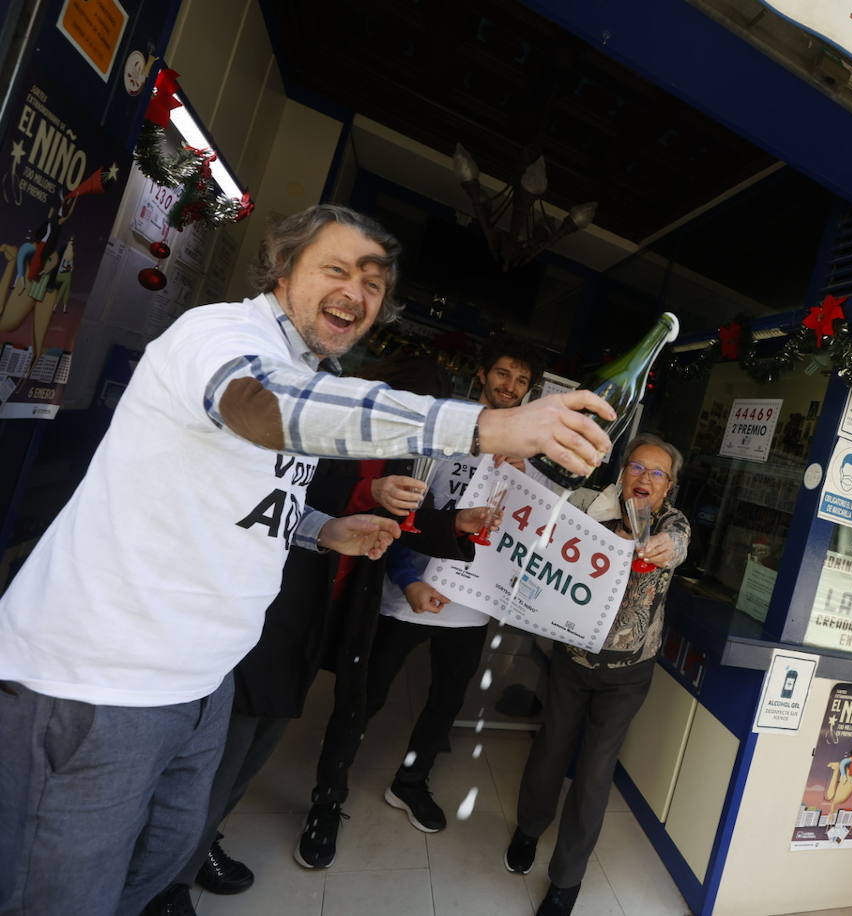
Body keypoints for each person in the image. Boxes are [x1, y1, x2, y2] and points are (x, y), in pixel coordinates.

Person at [0, 203, 614, 916]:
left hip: (205, 680)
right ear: (283, 267)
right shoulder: (222, 335)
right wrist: (488, 425)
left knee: (159, 867)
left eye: (376, 282)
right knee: (62, 896)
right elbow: (263, 405)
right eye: (337, 268)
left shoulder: (305, 365)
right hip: (100, 682)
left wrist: (324, 529)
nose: (358, 292)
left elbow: (244, 492)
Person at [144, 358, 488, 916]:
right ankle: (168, 884)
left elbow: (399, 523)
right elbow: (291, 501)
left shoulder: (403, 455)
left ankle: (197, 850)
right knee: (225, 754)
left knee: (260, 743)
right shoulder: (323, 433)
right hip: (276, 615)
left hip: (328, 619)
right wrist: (369, 487)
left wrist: (454, 525)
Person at [296, 335, 548, 868]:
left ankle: (411, 782)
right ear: (482, 375)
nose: (511, 387)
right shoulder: (441, 426)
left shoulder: (529, 450)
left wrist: (526, 483)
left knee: (446, 702)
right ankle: (327, 798)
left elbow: (537, 529)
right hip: (404, 592)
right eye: (503, 373)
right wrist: (409, 577)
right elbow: (406, 511)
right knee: (363, 697)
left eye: (522, 381)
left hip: (471, 603)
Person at [503, 434, 691, 916]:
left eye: (657, 473)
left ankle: (566, 881)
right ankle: (528, 830)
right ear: (622, 472)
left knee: (593, 774)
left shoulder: (673, 524)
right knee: (551, 749)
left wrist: (659, 546)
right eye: (637, 468)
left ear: (668, 487)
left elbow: (676, 547)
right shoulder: (589, 506)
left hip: (629, 674)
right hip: (573, 660)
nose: (644, 478)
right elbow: (547, 523)